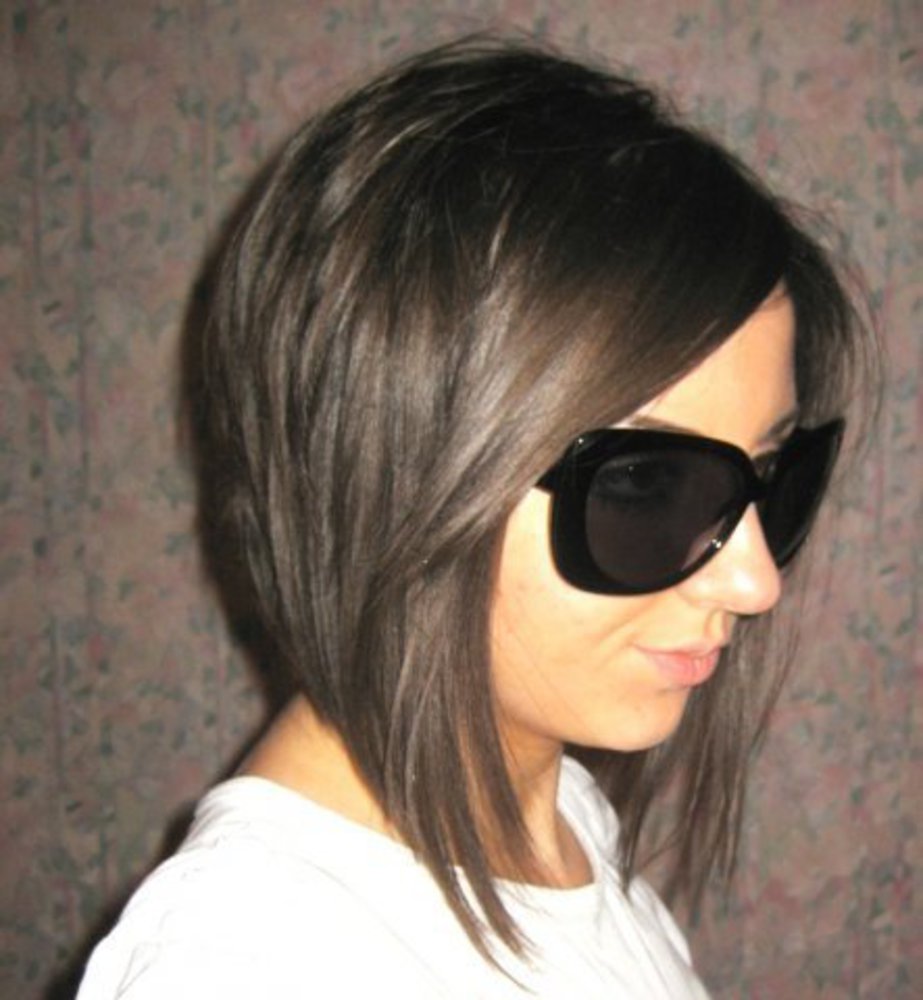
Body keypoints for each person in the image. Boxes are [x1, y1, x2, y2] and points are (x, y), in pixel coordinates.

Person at [77, 36, 873, 998]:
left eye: (769, 473)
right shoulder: (253, 965)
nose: (754, 581)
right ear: (396, 472)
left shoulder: (555, 807)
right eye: (643, 487)